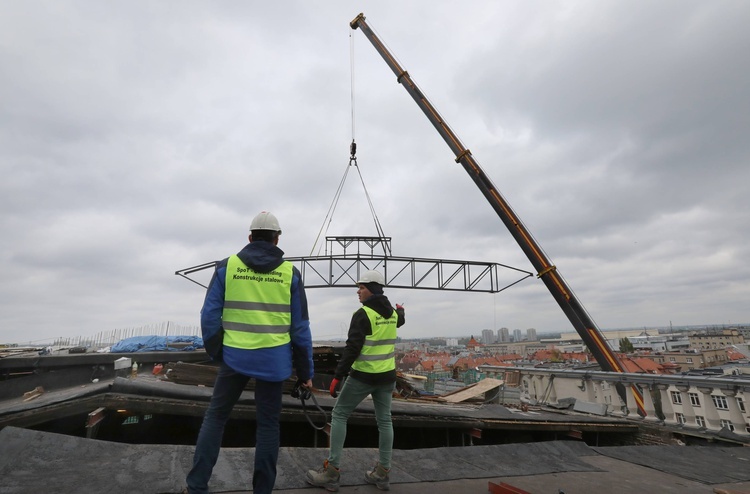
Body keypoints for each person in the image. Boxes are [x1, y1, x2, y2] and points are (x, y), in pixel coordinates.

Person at [185, 211, 314, 494]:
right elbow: (300, 328)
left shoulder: (226, 267)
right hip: (273, 362)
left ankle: (196, 487)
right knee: (268, 426)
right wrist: (306, 373)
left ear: (249, 237)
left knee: (216, 417)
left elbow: (209, 317)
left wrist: (219, 353)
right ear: (277, 239)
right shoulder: (289, 273)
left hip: (234, 357)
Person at [306, 270, 405, 492]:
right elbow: (400, 320)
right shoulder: (392, 314)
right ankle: (383, 473)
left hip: (363, 376)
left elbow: (352, 349)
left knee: (339, 414)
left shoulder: (363, 314)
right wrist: (401, 310)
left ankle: (332, 472)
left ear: (372, 289)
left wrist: (337, 376)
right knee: (385, 421)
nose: (357, 291)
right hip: (387, 377)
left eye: (361, 287)